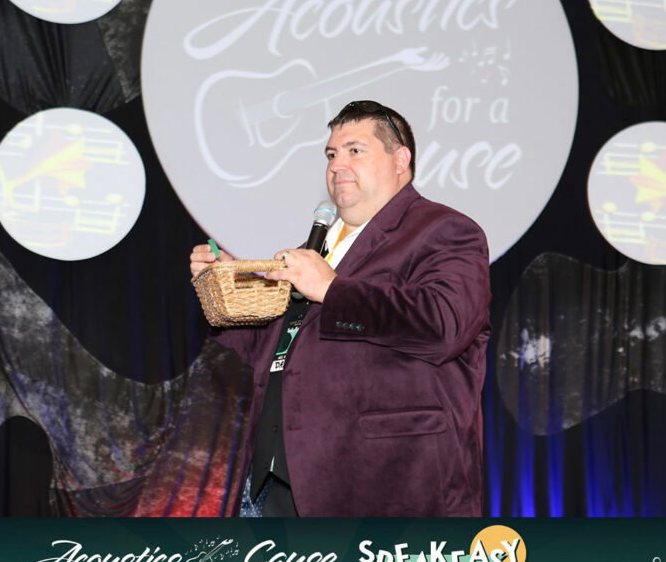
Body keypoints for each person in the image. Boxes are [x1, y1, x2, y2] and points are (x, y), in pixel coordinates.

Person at [189, 100, 490, 517]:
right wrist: (228, 288)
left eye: (355, 150)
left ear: (400, 159)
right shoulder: (319, 248)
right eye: (331, 154)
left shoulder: (445, 230)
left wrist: (331, 289)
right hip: (279, 480)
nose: (337, 164)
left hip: (385, 484)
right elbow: (275, 350)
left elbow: (445, 326)